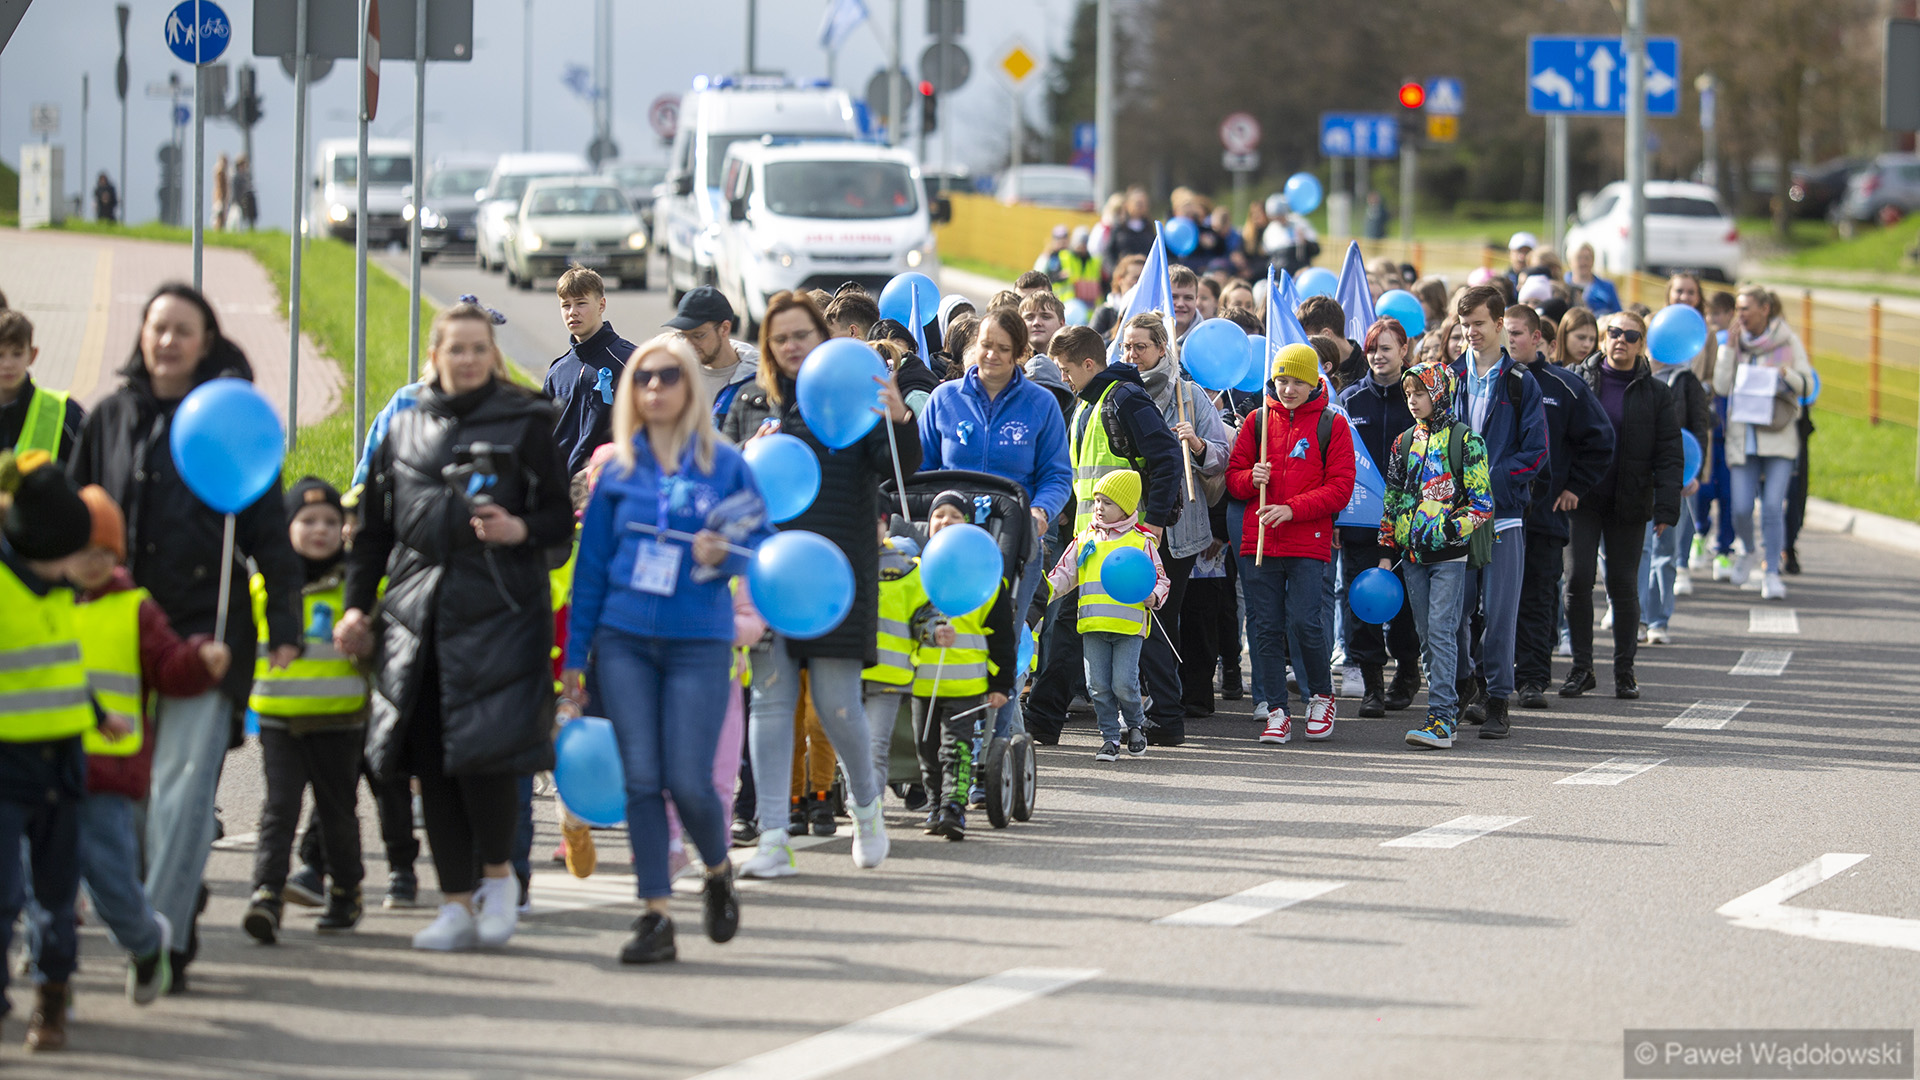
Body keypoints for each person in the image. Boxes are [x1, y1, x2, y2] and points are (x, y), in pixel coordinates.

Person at [68, 283, 303, 989]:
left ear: (206, 342)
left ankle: (159, 947)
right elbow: (75, 524)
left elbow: (270, 537)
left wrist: (284, 627)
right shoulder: (109, 417)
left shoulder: (228, 418)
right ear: (141, 335)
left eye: (183, 330)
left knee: (182, 794)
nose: (167, 340)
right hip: (120, 640)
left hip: (208, 639)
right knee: (133, 805)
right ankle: (161, 909)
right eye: (157, 327)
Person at [337, 300, 574, 952]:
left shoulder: (528, 421)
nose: (467, 359)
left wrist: (519, 529)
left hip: (501, 615)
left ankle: (498, 880)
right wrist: (357, 607)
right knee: (432, 762)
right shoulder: (403, 426)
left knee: (488, 759)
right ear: (435, 356)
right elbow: (373, 534)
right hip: (417, 620)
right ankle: (453, 902)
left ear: (492, 356)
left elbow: (558, 521)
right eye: (456, 348)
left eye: (478, 348)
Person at [565, 333, 771, 963]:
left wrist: (725, 553)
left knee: (687, 779)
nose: (654, 387)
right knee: (643, 780)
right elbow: (590, 571)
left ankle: (717, 870)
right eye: (644, 377)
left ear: (689, 387)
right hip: (623, 641)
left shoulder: (726, 464)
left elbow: (761, 546)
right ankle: (655, 913)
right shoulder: (617, 471)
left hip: (698, 643)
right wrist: (574, 661)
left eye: (668, 376)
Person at [726, 292, 919, 879]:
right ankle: (773, 837)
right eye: (779, 337)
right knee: (771, 701)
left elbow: (900, 469)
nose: (790, 346)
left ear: (821, 338)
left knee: (837, 705)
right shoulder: (754, 402)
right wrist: (746, 455)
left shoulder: (853, 398)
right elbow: (730, 484)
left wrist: (899, 418)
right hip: (772, 574)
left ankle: (866, 809)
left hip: (839, 577)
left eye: (801, 335)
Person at [65, 484, 225, 1009]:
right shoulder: (42, 603)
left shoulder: (135, 608)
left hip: (109, 772)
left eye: (104, 552)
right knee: (45, 882)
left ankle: (145, 940)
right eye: (82, 549)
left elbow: (167, 665)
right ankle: (51, 983)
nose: (92, 562)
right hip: (43, 765)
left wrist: (198, 659)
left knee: (112, 882)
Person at [914, 306, 1071, 748]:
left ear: (1019, 353)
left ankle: (993, 750)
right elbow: (921, 471)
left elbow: (1057, 475)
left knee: (1000, 648)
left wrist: (1040, 511)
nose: (992, 355)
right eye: (986, 345)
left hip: (1013, 542)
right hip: (950, 546)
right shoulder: (944, 399)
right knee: (941, 637)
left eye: (1003, 348)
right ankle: (938, 745)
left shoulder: (1040, 404)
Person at [1025, 326, 1184, 745]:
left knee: (1139, 627)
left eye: (1066, 370)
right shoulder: (1086, 404)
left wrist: (1154, 524)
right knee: (1066, 627)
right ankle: (1043, 720)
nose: (1063, 378)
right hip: (1089, 541)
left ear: (1089, 364)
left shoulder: (1123, 398)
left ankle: (1167, 717)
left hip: (1126, 543)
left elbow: (1167, 457)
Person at [0, 454, 103, 1049]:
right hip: (6, 763)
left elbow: (65, 667)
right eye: (72, 552)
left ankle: (52, 998)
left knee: (58, 893)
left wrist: (97, 715)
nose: (79, 565)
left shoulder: (63, 593)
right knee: (3, 894)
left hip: (63, 764)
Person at [242, 477, 368, 944]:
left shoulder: (355, 588)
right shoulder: (266, 587)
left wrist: (366, 641)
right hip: (279, 719)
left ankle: (346, 892)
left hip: (340, 719)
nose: (320, 530)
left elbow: (379, 646)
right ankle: (266, 894)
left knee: (338, 813)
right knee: (279, 810)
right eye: (308, 520)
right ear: (286, 528)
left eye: (331, 521)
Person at [1225, 343, 1356, 744]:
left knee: (1304, 623)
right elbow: (1233, 480)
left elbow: (1340, 489)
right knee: (1264, 628)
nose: (1288, 389)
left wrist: (1291, 509)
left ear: (1314, 381)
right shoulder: (1257, 420)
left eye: (1298, 381)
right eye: (1282, 380)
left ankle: (1321, 696)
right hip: (1260, 541)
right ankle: (1276, 709)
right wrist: (1251, 478)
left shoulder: (1332, 424)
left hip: (1307, 542)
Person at [1564, 311, 1683, 700]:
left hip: (1630, 500)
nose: (1622, 340)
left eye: (1632, 336)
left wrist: (1667, 507)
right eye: (1615, 332)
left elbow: (1669, 453)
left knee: (1623, 586)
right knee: (1578, 579)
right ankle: (1582, 668)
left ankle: (1624, 671)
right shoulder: (1577, 381)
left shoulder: (1657, 393)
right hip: (1581, 498)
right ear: (1603, 338)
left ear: (1642, 344)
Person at [1122, 311, 1229, 739]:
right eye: (1127, 346)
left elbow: (1222, 456)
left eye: (1141, 346)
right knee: (1130, 616)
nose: (1132, 354)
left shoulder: (1189, 394)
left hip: (1178, 529)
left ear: (1162, 348)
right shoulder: (1119, 393)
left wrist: (1198, 445)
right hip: (1129, 524)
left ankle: (1167, 708)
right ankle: (1142, 701)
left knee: (1161, 618)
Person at [1446, 285, 1547, 738]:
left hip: (1503, 515)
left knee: (1501, 613)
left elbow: (1536, 451)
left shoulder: (1520, 382)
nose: (1471, 332)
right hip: (1456, 517)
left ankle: (1498, 698)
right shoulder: (1448, 378)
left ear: (1500, 324)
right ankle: (1464, 683)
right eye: (1464, 324)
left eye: (1479, 324)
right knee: (1455, 611)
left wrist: (1491, 480)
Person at [1378, 362, 1493, 750]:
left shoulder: (1467, 441)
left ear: (1440, 394)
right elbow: (1393, 499)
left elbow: (1482, 503)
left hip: (1449, 555)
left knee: (1442, 631)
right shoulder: (1403, 442)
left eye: (1421, 392)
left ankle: (1442, 717)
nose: (1413, 400)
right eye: (1408, 393)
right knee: (1427, 635)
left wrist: (1447, 529)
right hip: (1412, 556)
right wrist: (1387, 547)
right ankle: (1443, 714)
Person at [1504, 304, 1613, 711]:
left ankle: (1532, 679)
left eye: (1517, 333)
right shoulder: (1488, 381)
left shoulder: (1564, 385)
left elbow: (1601, 440)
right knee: (1491, 602)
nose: (1510, 340)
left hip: (1544, 515)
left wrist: (1574, 487)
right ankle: (1488, 680)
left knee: (1537, 598)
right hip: (1495, 515)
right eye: (1505, 332)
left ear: (1537, 338)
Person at [909, 492, 1017, 837]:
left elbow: (1002, 638)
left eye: (955, 515)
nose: (945, 521)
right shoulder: (913, 574)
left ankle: (953, 808)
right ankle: (935, 804)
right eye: (938, 515)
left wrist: (1000, 685)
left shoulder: (986, 579)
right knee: (926, 751)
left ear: (969, 525)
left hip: (967, 684)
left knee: (954, 748)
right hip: (922, 683)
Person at [1045, 471, 1168, 760]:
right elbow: (1063, 575)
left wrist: (1154, 596)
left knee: (1124, 684)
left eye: (1108, 502)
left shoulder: (1142, 542)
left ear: (1126, 508)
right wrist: (1041, 593)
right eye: (1096, 501)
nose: (1099, 507)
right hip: (1093, 625)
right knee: (1097, 686)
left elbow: (1161, 579)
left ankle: (1135, 724)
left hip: (1128, 628)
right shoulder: (1084, 539)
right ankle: (1110, 737)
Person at [1336, 319, 1424, 717]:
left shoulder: (1418, 398)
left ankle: (1407, 671)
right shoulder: (1350, 400)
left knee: (1405, 605)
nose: (1377, 356)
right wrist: (1338, 519)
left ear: (1404, 350)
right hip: (1361, 523)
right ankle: (1372, 683)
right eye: (1372, 349)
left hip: (1410, 522)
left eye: (1386, 348)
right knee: (1363, 604)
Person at [1713, 286, 1813, 601]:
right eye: (1738, 308)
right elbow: (1721, 386)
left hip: (1778, 437)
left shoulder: (1787, 341)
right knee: (1742, 508)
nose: (1739, 314)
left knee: (1771, 507)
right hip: (1744, 438)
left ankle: (1771, 573)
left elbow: (1807, 383)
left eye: (1745, 308)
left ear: (1764, 309)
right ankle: (1747, 549)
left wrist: (1784, 374)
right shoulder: (1733, 343)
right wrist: (1729, 349)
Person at [1639, 275, 1714, 643]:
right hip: (1636, 474)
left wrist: (1694, 472)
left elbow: (1699, 429)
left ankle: (1658, 621)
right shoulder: (1634, 377)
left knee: (1665, 550)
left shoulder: (1687, 382)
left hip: (1673, 476)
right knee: (1639, 549)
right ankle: (1634, 615)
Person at [545, 267, 637, 478]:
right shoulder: (557, 372)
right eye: (566, 305)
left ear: (601, 305)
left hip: (610, 479)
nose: (573, 312)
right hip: (562, 484)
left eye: (581, 303)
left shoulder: (630, 361)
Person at [0, 310, 85, 465]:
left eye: (17, 354)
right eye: (0, 355)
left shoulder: (64, 413)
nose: (7, 364)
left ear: (32, 355)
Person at [669, 285, 761, 424]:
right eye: (683, 336)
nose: (689, 344)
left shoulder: (758, 376)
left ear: (724, 329)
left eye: (698, 335)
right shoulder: (676, 376)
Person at [1298, 296, 1366, 387]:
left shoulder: (1371, 369)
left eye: (1308, 339)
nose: (1304, 345)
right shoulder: (1306, 370)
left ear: (1326, 335)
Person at [1567, 243, 1620, 317]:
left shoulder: (1607, 287)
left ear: (1593, 261)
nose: (1583, 262)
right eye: (1579, 258)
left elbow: (1618, 314)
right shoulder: (1563, 286)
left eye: (1587, 258)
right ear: (1570, 261)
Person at [1108, 187, 1157, 262]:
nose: (1140, 207)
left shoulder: (1149, 227)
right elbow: (1109, 252)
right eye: (1138, 203)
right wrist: (1114, 267)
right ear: (1127, 204)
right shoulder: (1120, 226)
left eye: (1143, 204)